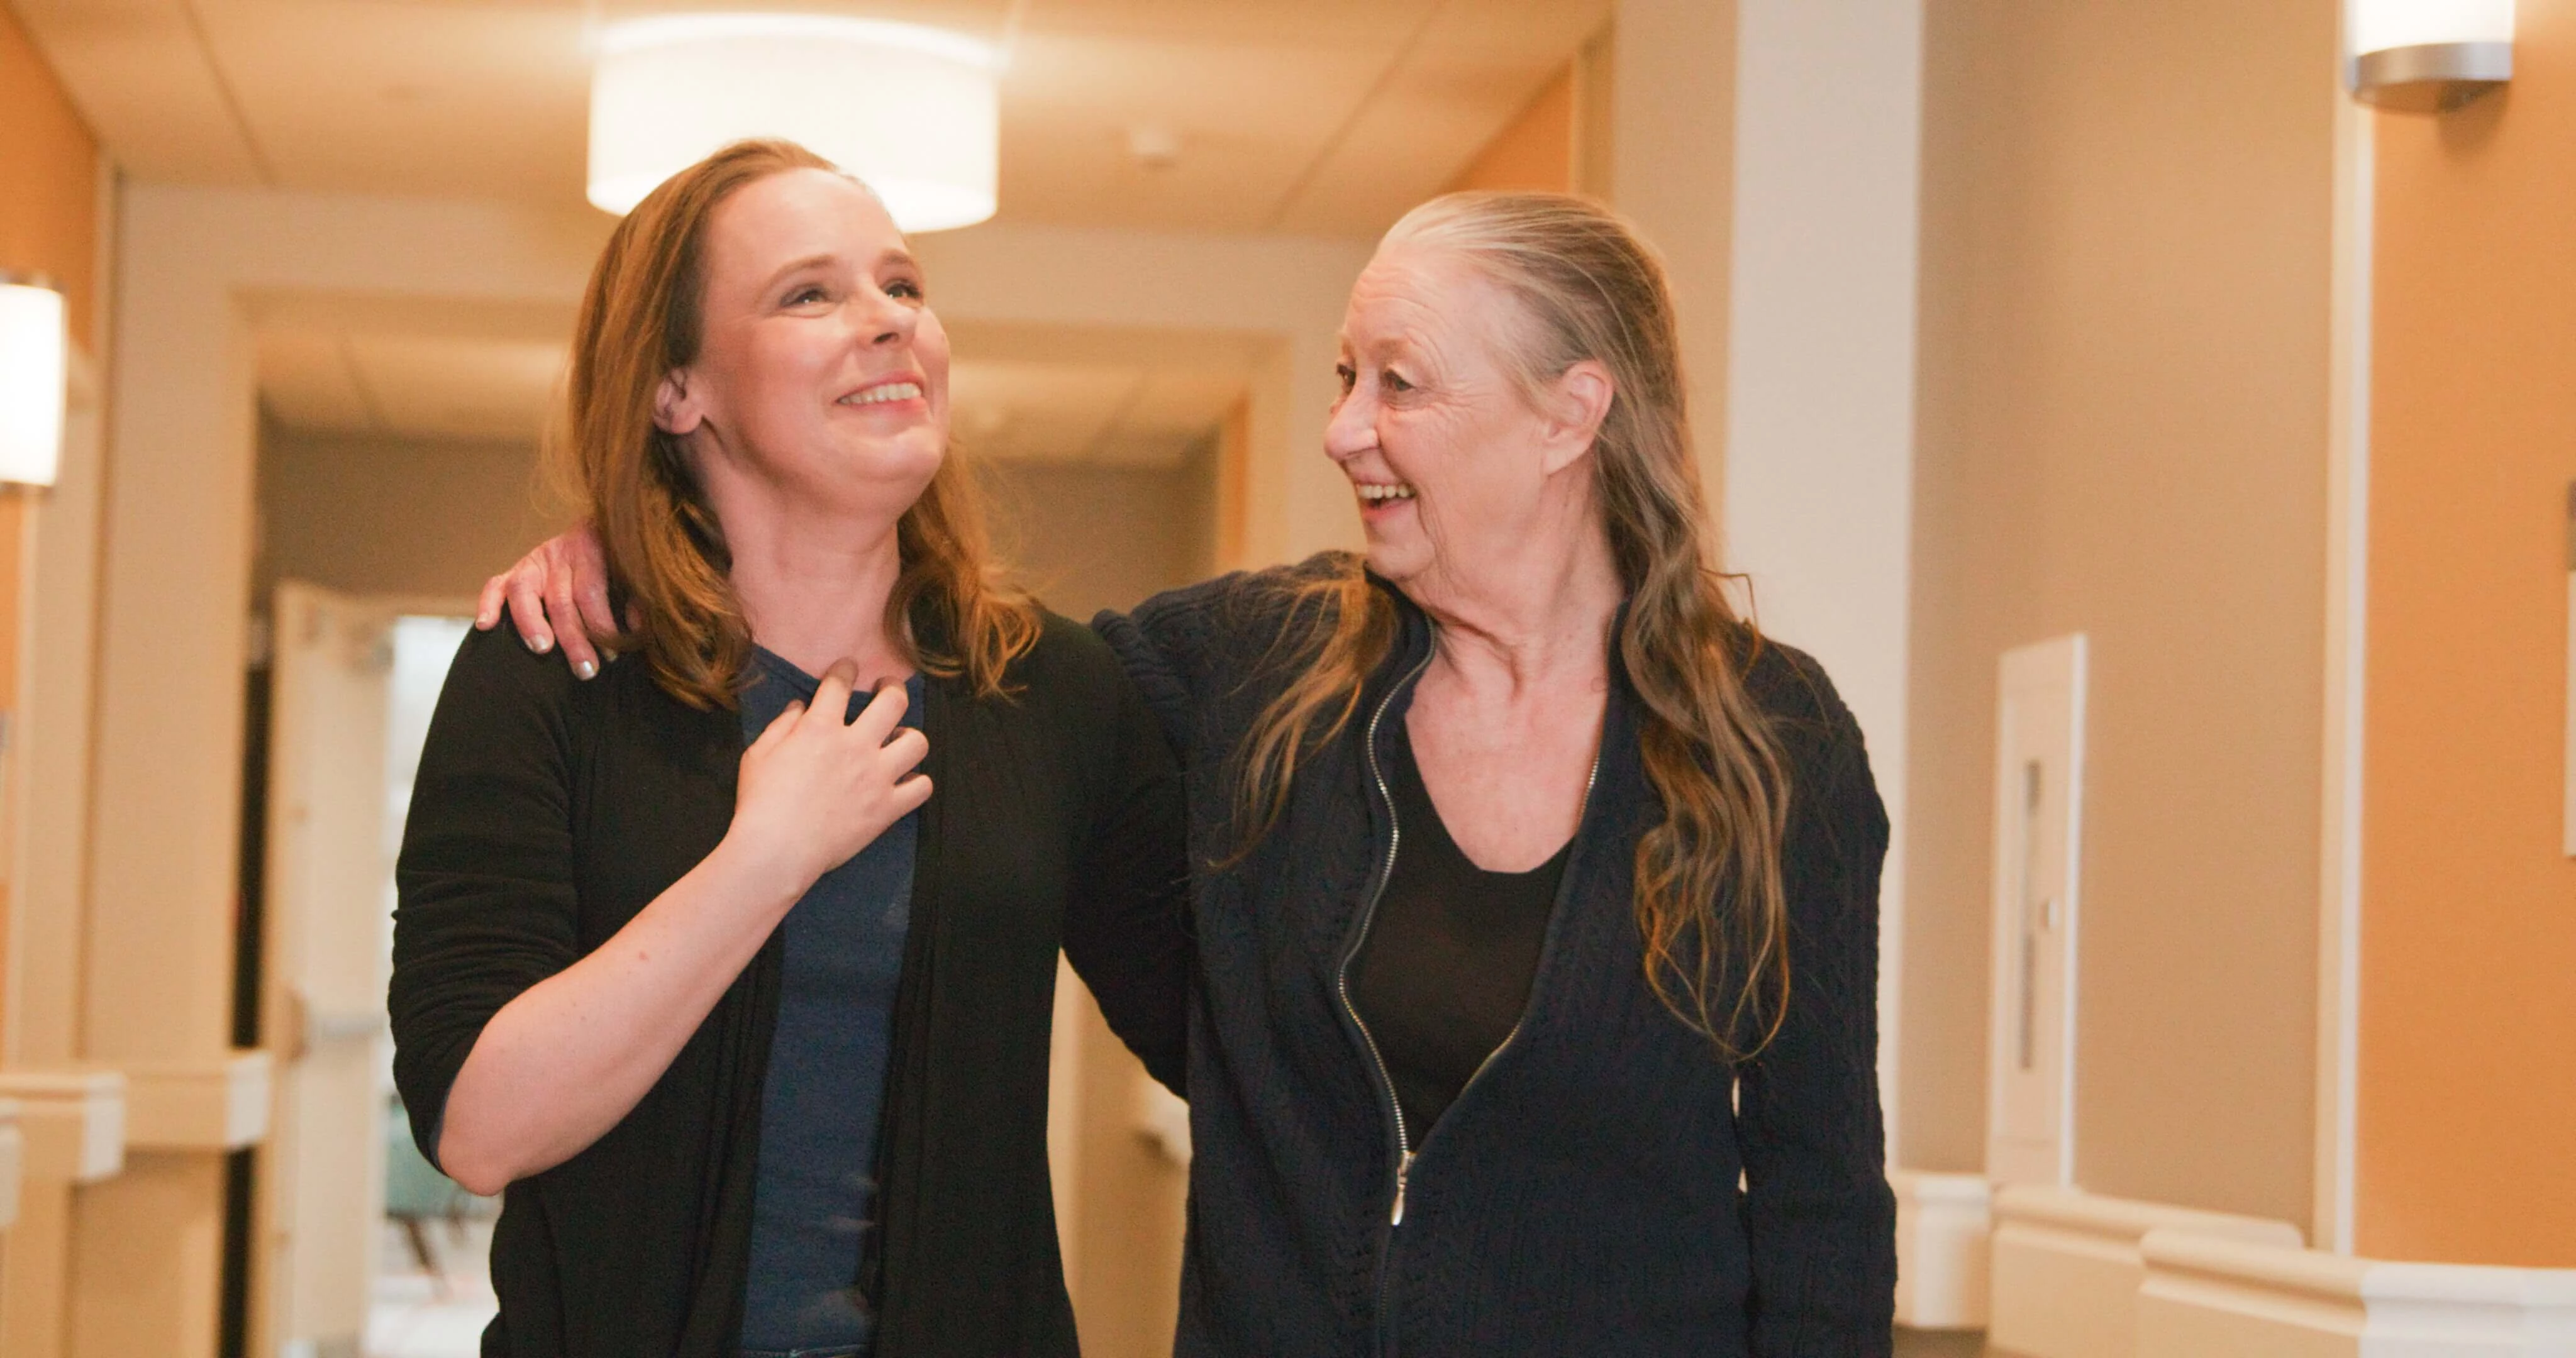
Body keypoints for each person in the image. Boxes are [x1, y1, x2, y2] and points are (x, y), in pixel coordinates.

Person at [486, 190, 1897, 1355]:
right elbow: (968, 674)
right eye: (1346, 377)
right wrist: (649, 543)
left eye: (1396, 383)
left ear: (1567, 415)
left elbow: (1821, 1202)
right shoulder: (1254, 664)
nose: (1342, 427)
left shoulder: (1772, 738)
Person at [392, 139, 1187, 1358]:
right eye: (809, 294)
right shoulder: (555, 671)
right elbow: (478, 1126)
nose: (887, 324)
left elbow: (1233, 1035)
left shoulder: (1050, 691)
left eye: (903, 287)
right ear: (677, 392)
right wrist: (765, 857)